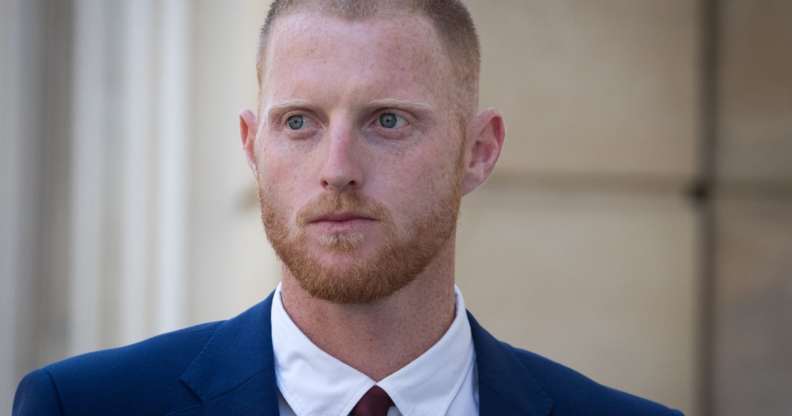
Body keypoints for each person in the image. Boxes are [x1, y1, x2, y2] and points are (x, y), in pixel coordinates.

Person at [13, 1, 684, 415]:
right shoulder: (85, 408)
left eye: (387, 121)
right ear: (253, 145)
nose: (337, 170)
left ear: (478, 150)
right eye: (299, 122)